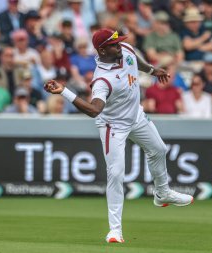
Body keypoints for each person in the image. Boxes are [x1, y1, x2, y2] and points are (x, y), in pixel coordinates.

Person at [43, 29, 193, 243]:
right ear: (102, 50)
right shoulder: (102, 79)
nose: (120, 46)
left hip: (136, 116)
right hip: (112, 125)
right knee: (116, 174)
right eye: (114, 45)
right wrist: (65, 92)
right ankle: (115, 230)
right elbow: (94, 110)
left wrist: (152, 70)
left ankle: (162, 193)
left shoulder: (124, 49)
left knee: (159, 149)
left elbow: (136, 61)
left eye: (119, 42)